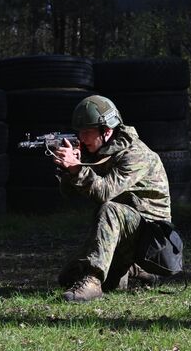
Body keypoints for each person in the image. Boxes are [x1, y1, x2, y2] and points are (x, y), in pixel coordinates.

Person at [53, 95, 171, 302]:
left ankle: (93, 281)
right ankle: (133, 269)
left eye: (87, 131)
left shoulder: (136, 154)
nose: (81, 137)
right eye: (79, 131)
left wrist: (77, 170)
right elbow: (69, 195)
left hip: (153, 238)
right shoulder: (100, 151)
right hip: (126, 234)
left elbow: (105, 193)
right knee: (67, 277)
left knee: (109, 208)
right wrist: (69, 171)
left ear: (107, 131)